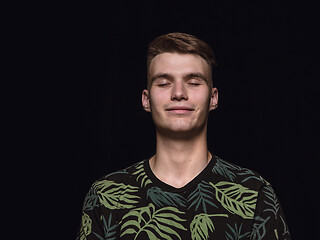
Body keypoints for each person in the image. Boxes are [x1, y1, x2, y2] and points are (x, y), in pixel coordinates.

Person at [77, 32, 291, 240]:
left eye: (194, 82)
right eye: (163, 83)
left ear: (213, 98)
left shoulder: (254, 193)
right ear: (146, 100)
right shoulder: (105, 196)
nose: (179, 93)